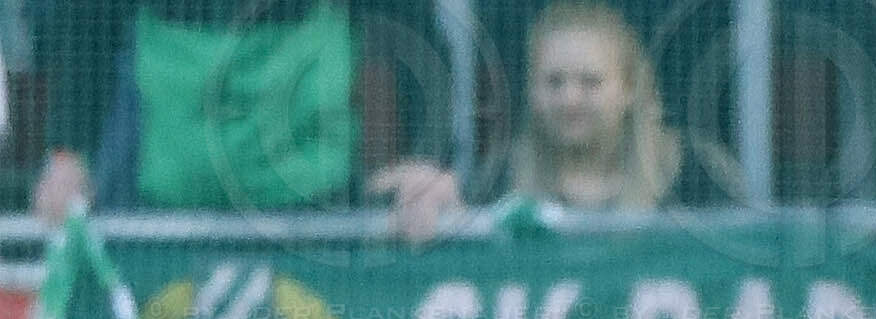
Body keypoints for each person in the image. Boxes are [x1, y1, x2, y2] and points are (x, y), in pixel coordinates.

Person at [30, 0, 465, 238]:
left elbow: (415, 24)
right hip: (166, 205)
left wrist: (428, 160)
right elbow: (85, 19)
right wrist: (68, 154)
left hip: (317, 206)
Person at [507, 1, 679, 212]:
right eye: (554, 81)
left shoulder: (687, 180)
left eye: (590, 81)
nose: (570, 100)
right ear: (532, 90)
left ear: (630, 88)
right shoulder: (498, 182)